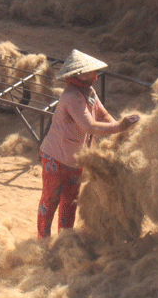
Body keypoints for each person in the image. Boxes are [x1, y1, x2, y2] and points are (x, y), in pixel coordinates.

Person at [37, 49, 139, 239]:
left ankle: (65, 240)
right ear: (77, 76)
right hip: (56, 157)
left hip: (75, 159)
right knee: (51, 200)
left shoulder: (89, 92)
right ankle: (43, 240)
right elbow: (89, 126)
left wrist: (122, 130)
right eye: (89, 73)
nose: (95, 76)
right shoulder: (71, 96)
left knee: (70, 201)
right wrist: (120, 126)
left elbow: (103, 114)